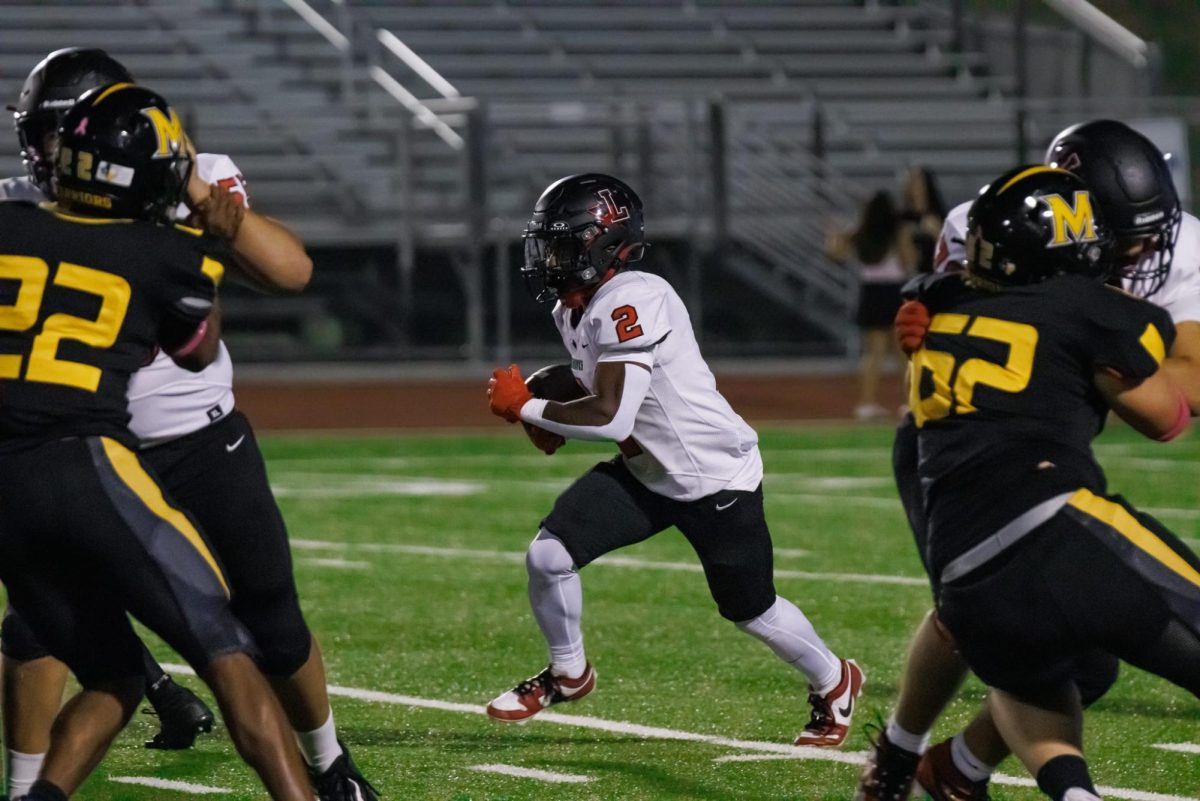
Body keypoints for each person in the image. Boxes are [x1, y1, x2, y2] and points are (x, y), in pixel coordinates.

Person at [2, 49, 377, 801]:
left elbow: (288, 271)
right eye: (39, 135)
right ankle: (23, 786)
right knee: (44, 632)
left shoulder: (178, 178)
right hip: (91, 450)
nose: (44, 152)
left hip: (189, 441)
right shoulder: (27, 201)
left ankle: (330, 763)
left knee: (269, 619)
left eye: (58, 132)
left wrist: (193, 188)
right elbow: (195, 335)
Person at [858, 120, 1200, 801]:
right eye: (1127, 238)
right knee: (979, 612)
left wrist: (1103, 333)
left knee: (1033, 629)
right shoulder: (999, 233)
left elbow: (1187, 381)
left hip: (1031, 458)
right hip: (959, 451)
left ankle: (957, 769)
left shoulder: (1155, 248)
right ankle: (903, 753)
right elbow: (1167, 410)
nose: (1143, 250)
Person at [484, 173, 863, 747]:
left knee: (751, 611)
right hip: (647, 472)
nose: (548, 257)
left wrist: (531, 407)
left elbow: (611, 414)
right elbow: (591, 376)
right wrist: (544, 389)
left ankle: (835, 681)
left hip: (712, 477)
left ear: (603, 243)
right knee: (548, 557)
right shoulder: (575, 308)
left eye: (562, 243)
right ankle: (568, 673)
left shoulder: (636, 297)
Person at [826, 190, 917, 420]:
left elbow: (836, 255)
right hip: (895, 291)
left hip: (871, 292)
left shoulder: (859, 231)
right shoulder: (898, 231)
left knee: (873, 354)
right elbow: (908, 263)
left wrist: (834, 236)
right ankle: (909, 404)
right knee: (902, 354)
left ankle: (866, 403)